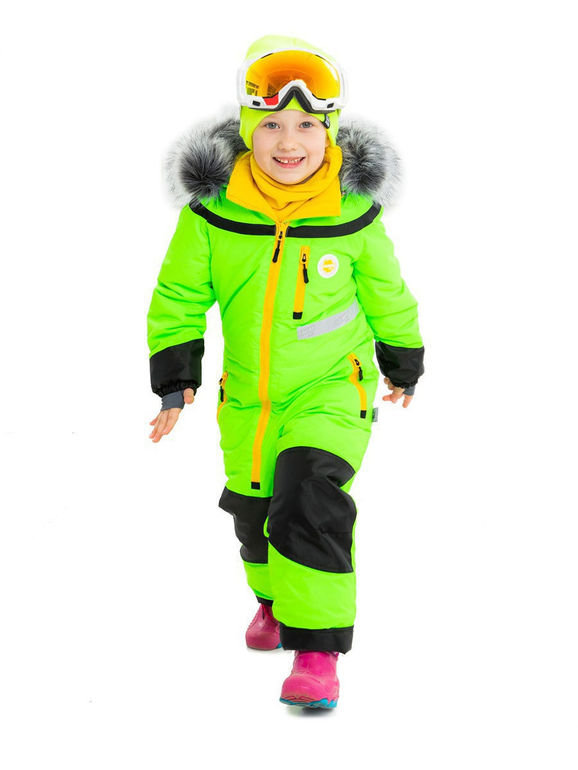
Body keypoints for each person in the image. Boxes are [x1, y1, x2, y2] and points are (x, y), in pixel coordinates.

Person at [146, 34, 425, 709]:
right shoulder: (211, 216)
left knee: (309, 501)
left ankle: (317, 652)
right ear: (247, 130)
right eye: (271, 124)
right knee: (255, 516)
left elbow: (387, 293)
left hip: (333, 392)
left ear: (330, 133)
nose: (289, 141)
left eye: (307, 125)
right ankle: (272, 601)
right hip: (248, 400)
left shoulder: (353, 216)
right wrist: (175, 380)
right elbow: (179, 295)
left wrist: (403, 362)